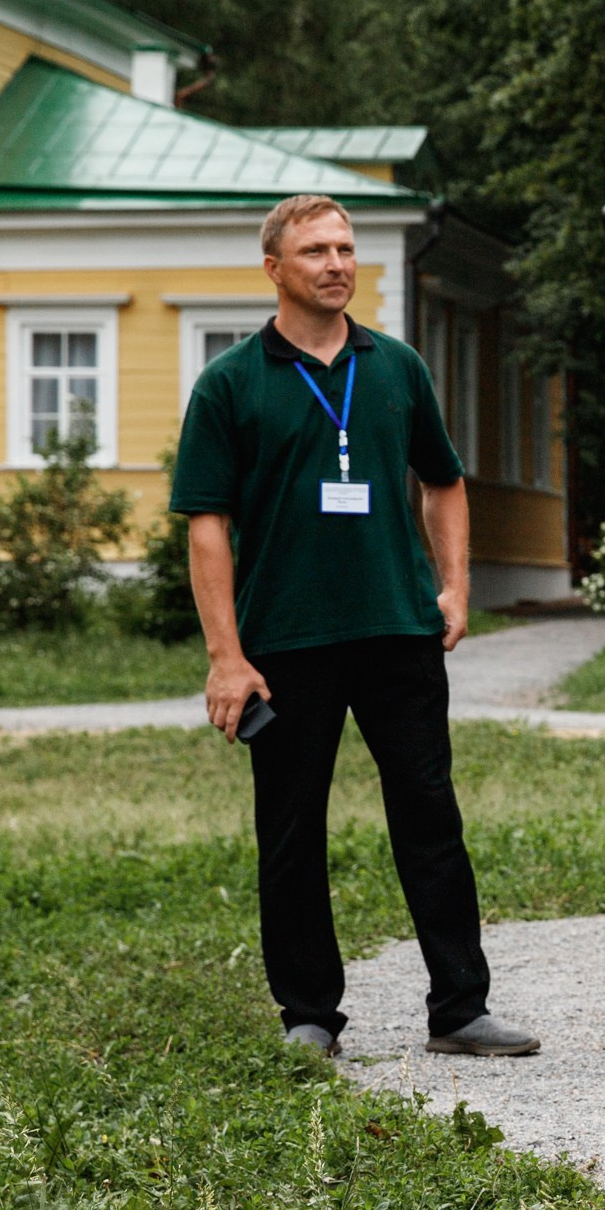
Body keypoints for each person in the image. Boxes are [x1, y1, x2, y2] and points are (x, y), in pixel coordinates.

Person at [172, 193, 538, 1061]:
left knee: (430, 818)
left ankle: (460, 1007)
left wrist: (455, 589)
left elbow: (442, 481)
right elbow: (206, 527)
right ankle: (309, 1013)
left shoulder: (396, 367)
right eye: (315, 251)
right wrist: (226, 657)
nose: (337, 263)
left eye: (345, 248)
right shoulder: (231, 383)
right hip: (285, 643)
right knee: (292, 832)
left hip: (397, 633)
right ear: (275, 268)